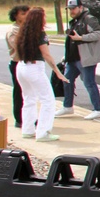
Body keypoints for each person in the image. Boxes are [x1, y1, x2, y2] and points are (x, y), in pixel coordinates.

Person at [13, 7, 68, 142]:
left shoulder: (23, 32)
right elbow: (46, 54)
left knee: (29, 99)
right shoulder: (40, 34)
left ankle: (28, 129)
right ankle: (43, 132)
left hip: (21, 67)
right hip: (34, 68)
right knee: (48, 100)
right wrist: (57, 71)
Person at [56, 0, 100, 120]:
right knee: (67, 80)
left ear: (80, 7)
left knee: (89, 82)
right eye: (70, 9)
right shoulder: (74, 21)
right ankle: (67, 106)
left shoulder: (89, 19)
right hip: (72, 59)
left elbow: (98, 34)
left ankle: (98, 109)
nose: (71, 11)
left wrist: (81, 38)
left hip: (85, 58)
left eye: (73, 9)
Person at [5, 4, 31, 129]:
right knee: (19, 92)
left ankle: (29, 117)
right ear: (15, 16)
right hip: (17, 63)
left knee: (29, 92)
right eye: (23, 13)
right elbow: (19, 47)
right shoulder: (13, 31)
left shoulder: (27, 28)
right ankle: (19, 118)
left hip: (28, 63)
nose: (26, 16)